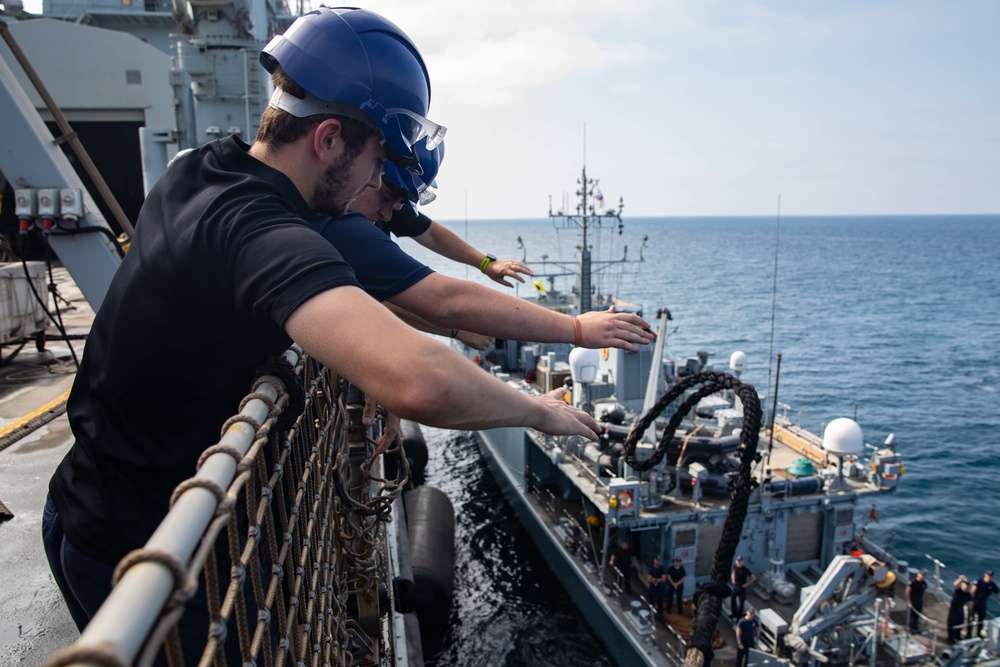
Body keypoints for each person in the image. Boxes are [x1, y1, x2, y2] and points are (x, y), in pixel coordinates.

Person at [41, 8, 631, 663]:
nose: (378, 184)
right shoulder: (269, 233)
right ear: (328, 140)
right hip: (144, 554)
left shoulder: (198, 169)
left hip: (80, 507)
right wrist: (539, 410)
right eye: (378, 159)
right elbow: (422, 377)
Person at [356, 145, 534, 289]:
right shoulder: (343, 232)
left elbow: (430, 233)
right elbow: (394, 297)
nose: (387, 216)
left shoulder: (385, 202)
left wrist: (486, 264)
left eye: (399, 204)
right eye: (386, 198)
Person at [970, 569, 999, 638]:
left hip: (982, 603)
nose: (989, 577)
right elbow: (972, 591)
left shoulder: (992, 585)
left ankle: (978, 633)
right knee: (971, 618)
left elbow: (998, 593)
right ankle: (968, 634)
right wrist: (971, 601)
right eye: (988, 575)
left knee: (981, 619)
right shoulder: (979, 581)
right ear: (985, 575)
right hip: (975, 602)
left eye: (990, 576)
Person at [948, 576, 972, 643]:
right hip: (954, 609)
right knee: (952, 623)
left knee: (960, 623)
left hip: (960, 609)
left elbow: (970, 603)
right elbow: (955, 585)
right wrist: (960, 579)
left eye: (967, 585)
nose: (966, 586)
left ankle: (957, 636)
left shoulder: (967, 594)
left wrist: (970, 613)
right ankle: (951, 638)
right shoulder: (958, 591)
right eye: (965, 584)